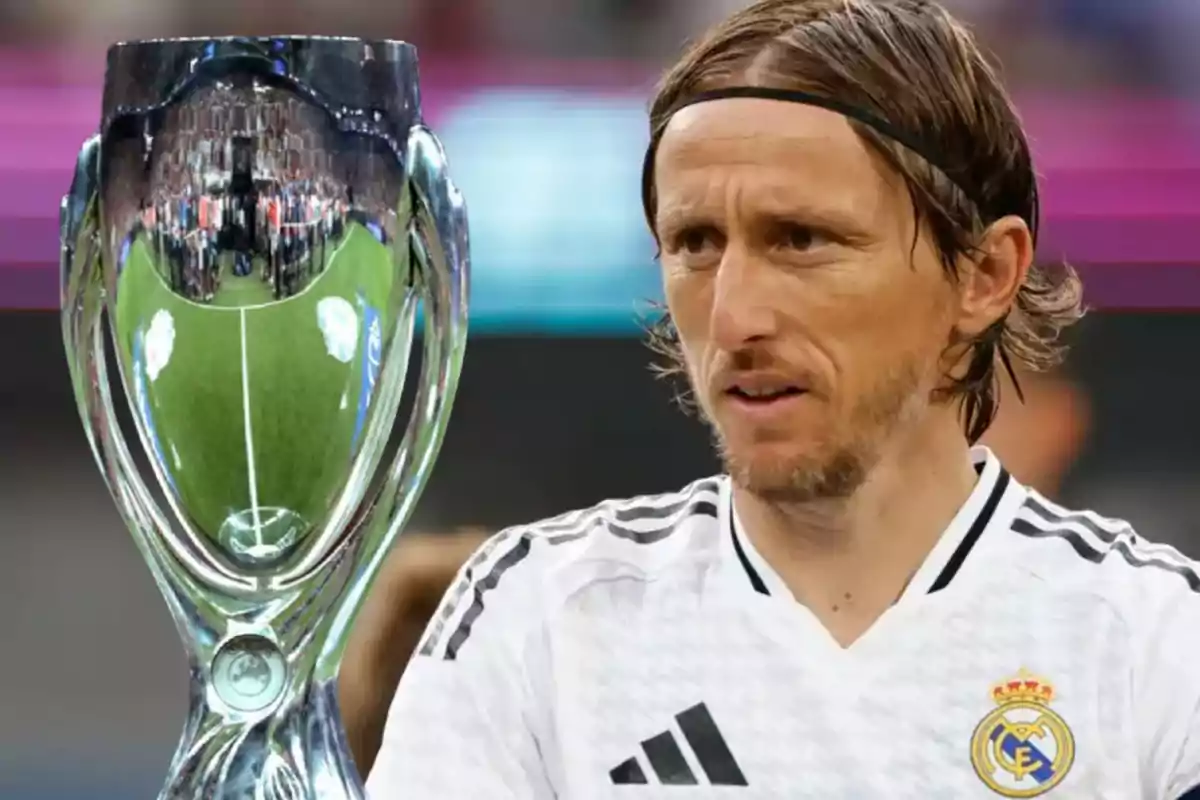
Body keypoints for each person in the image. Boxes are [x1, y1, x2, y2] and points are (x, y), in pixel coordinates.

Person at [363, 1, 1200, 797]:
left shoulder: (1157, 645)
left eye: (801, 240)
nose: (734, 316)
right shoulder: (534, 623)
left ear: (984, 276)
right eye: (695, 244)